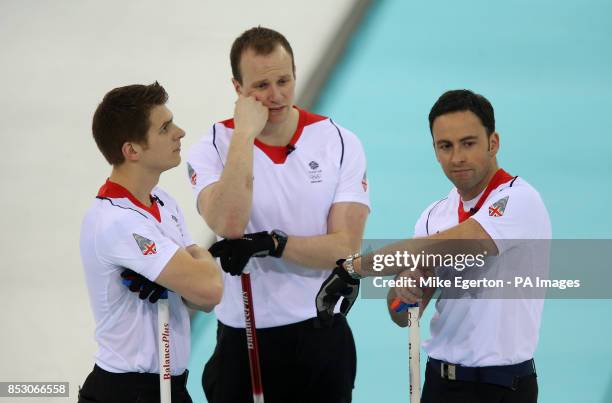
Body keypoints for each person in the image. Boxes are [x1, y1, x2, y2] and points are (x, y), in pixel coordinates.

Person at [317, 89, 550, 403]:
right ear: (435, 150)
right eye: (446, 146)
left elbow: (446, 246)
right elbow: (403, 314)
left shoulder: (518, 199)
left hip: (502, 386)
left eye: (468, 143)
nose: (457, 157)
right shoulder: (433, 215)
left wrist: (353, 269)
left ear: (493, 142)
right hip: (440, 382)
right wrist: (403, 292)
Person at [186, 27, 371, 403]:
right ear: (237, 88)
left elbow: (346, 247)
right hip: (246, 335)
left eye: (284, 81)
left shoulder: (338, 141)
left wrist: (273, 245)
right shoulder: (211, 148)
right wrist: (245, 135)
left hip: (321, 332)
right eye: (261, 86)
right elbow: (229, 223)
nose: (276, 96)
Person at [78, 82, 223, 403]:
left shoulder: (163, 202)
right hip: (126, 391)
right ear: (132, 151)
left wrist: (188, 275)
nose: (180, 132)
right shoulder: (117, 221)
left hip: (171, 386)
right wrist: (194, 267)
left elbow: (205, 300)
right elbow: (209, 287)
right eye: (165, 128)